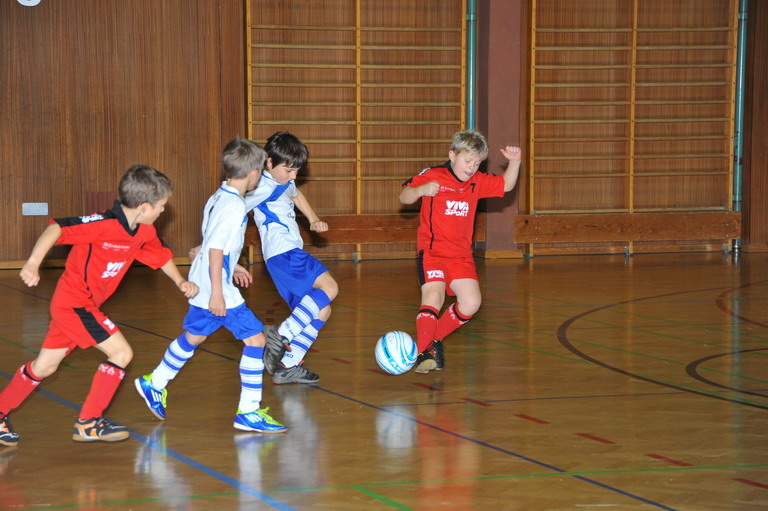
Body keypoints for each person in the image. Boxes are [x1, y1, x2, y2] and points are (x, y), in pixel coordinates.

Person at [0, 165, 198, 446]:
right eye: (162, 205)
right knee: (121, 353)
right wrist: (33, 263)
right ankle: (88, 422)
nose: (164, 210)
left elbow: (160, 255)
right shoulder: (102, 223)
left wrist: (180, 281)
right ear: (144, 207)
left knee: (44, 367)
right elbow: (57, 228)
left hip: (79, 307)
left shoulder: (144, 231)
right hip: (74, 304)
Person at [134, 137, 287, 433]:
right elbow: (215, 249)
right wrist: (218, 292)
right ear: (254, 173)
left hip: (204, 278)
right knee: (256, 341)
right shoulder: (234, 206)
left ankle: (155, 382)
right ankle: (249, 411)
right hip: (216, 287)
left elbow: (214, 244)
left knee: (195, 336)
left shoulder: (219, 196)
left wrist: (234, 265)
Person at [399, 130, 521, 374]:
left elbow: (506, 184)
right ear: (452, 155)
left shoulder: (477, 181)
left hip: (461, 256)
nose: (472, 167)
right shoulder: (434, 175)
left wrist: (515, 161)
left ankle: (434, 339)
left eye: (477, 163)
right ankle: (424, 353)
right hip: (433, 253)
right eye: (468, 161)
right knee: (433, 298)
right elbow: (404, 196)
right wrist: (421, 190)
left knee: (472, 303)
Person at [244, 131, 339, 384]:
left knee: (322, 310)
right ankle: (282, 333)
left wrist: (313, 219)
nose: (294, 176)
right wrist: (211, 243)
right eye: (289, 170)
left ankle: (287, 365)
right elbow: (235, 211)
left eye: (297, 170)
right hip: (284, 252)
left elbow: (295, 194)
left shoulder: (283, 180)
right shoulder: (261, 187)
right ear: (269, 163)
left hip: (279, 259)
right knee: (330, 287)